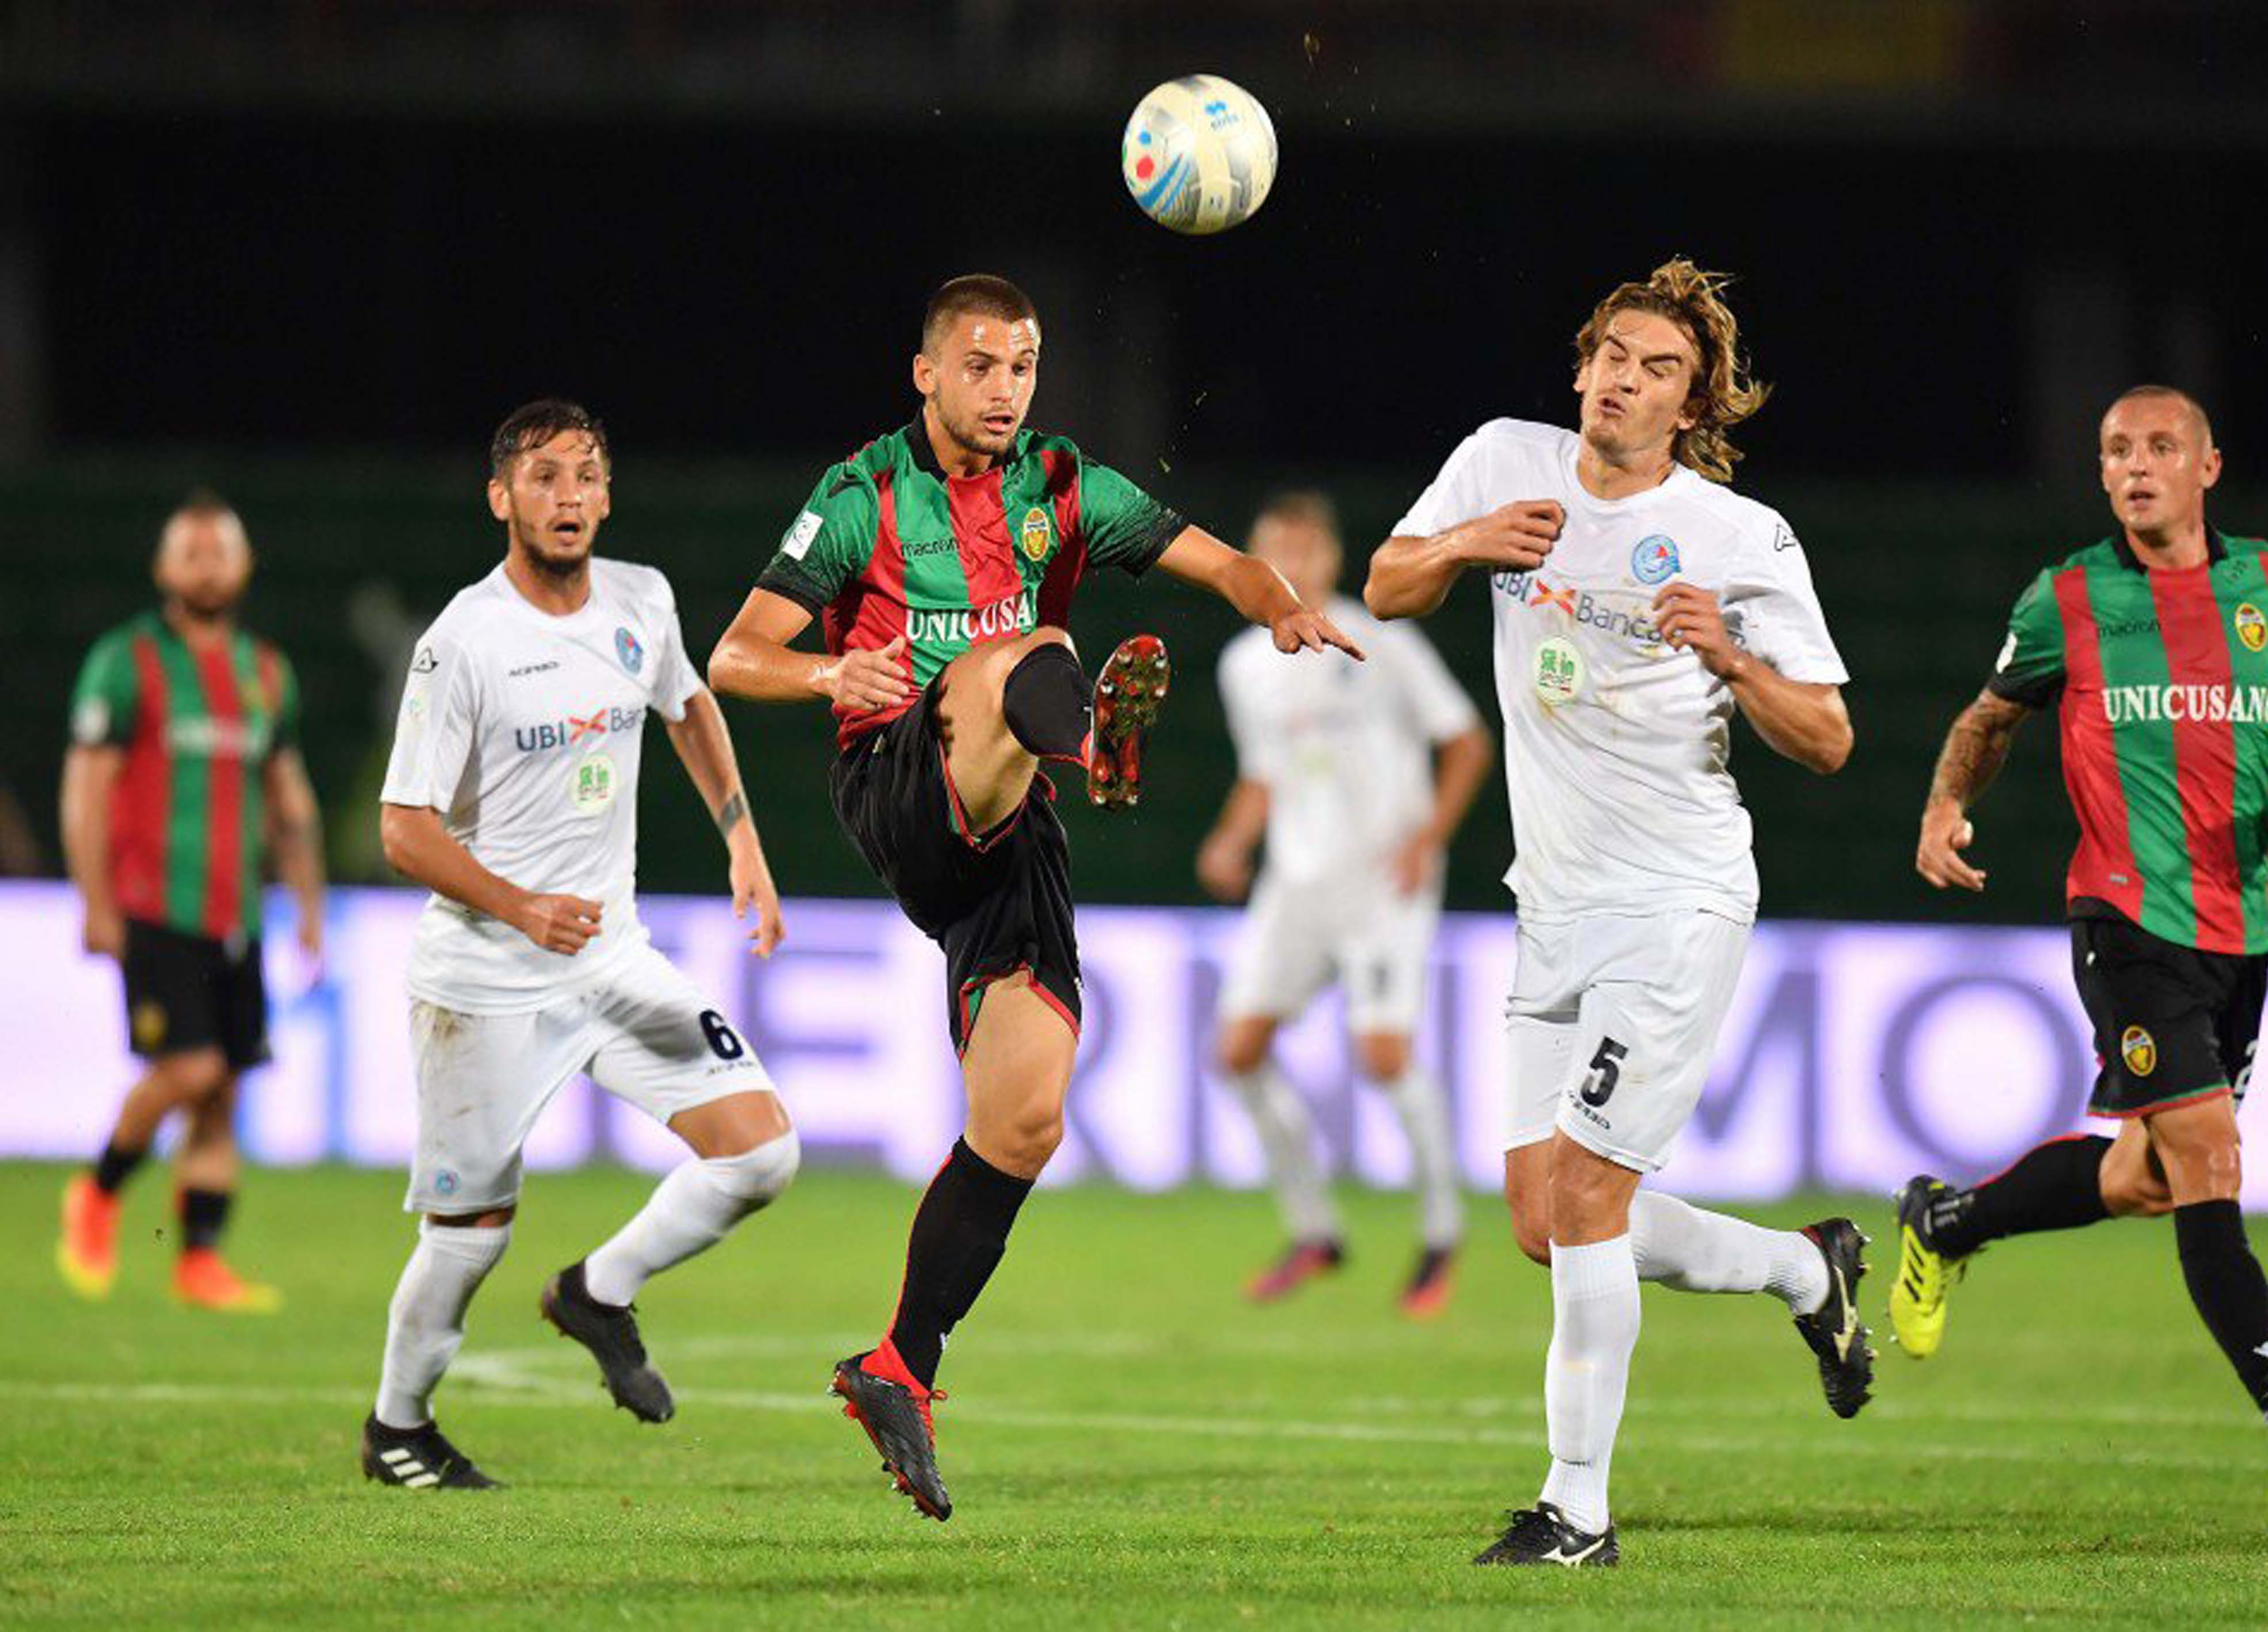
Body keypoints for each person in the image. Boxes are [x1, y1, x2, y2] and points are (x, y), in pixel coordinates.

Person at [709, 274, 1359, 1521]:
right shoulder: (861, 496)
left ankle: (898, 1364)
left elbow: (1221, 561)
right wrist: (830, 671)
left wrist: (1275, 600)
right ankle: (1093, 744)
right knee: (1035, 652)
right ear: (925, 374)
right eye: (980, 365)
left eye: (1022, 366)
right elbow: (734, 654)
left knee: (1024, 1120)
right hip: (902, 777)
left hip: (1007, 831)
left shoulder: (1064, 483)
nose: (1004, 389)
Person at [1364, 260, 1870, 1568]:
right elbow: (1386, 586)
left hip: (1675, 900)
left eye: (1656, 368)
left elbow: (1826, 737)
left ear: (1691, 403)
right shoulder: (1502, 460)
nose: (1622, 380)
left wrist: (1730, 656)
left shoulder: (1737, 537)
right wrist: (1465, 543)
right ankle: (1805, 1270)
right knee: (1544, 1223)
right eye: (1610, 355)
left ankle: (1575, 1511)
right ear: (1582, 364)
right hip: (1551, 906)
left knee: (1590, 1193)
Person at [1894, 384, 2268, 1500]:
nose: (2134, 465)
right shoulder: (2067, 596)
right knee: (2208, 1155)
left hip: (2241, 925)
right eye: (2116, 449)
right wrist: (1943, 806)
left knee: (2146, 1176)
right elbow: (1987, 718)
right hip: (2123, 918)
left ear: (2207, 466)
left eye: (2160, 447)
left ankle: (1948, 1221)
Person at [362, 401, 798, 1490]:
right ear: (500, 498)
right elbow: (403, 830)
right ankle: (397, 1429)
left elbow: (690, 707)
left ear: (608, 496)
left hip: (610, 960)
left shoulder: (642, 598)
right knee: (468, 1237)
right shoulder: (463, 641)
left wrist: (743, 840)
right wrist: (520, 907)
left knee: (761, 1154)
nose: (569, 496)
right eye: (544, 477)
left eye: (588, 476)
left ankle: (598, 1292)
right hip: (485, 981)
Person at [1198, 489, 1492, 1316]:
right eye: (1276, 549)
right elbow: (1263, 776)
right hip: (1296, 884)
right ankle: (1315, 1231)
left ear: (1332, 557)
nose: (1292, 564)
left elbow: (1466, 741)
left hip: (1382, 884)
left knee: (1385, 1057)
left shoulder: (1384, 640)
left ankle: (1441, 1233)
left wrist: (1428, 837)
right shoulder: (1244, 664)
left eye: (1307, 549)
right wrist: (1230, 841)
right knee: (1238, 1052)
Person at [56, 492, 324, 1313]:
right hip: (152, 906)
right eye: (191, 553)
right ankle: (97, 1191)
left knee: (223, 1091)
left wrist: (310, 908)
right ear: (163, 568)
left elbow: (288, 797)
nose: (207, 567)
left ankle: (199, 1260)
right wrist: (95, 901)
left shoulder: (266, 671)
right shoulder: (126, 661)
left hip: (237, 914)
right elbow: (86, 787)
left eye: (220, 552)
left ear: (245, 566)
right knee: (189, 1067)